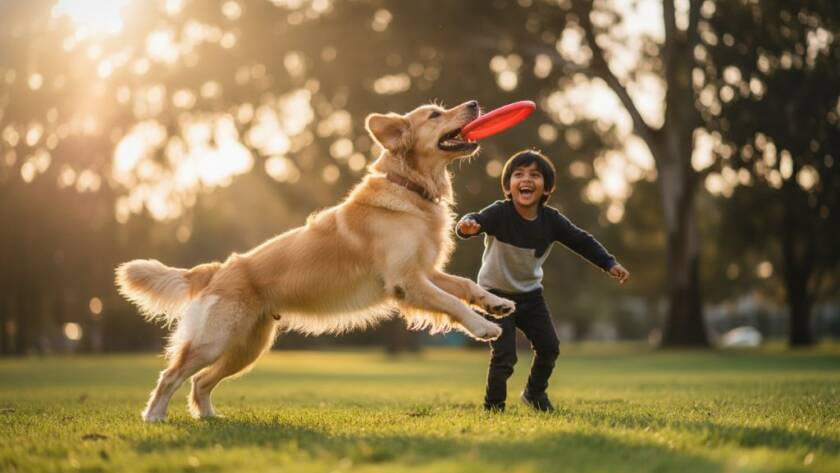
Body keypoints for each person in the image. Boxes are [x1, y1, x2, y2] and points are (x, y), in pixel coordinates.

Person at [456, 150, 630, 412]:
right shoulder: (500, 213)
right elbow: (476, 219)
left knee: (549, 348)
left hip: (530, 296)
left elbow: (581, 241)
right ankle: (493, 407)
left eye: (534, 175)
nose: (526, 179)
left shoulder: (551, 221)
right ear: (508, 186)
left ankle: (534, 394)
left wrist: (609, 263)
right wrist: (467, 226)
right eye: (518, 174)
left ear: (546, 187)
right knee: (505, 355)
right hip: (493, 295)